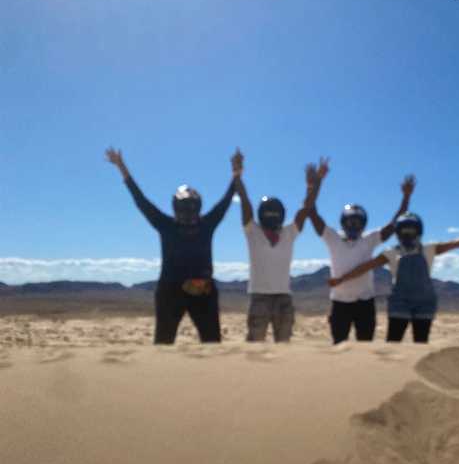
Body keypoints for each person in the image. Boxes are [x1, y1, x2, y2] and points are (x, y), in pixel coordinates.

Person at [105, 146, 242, 344]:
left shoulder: (173, 225)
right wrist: (236, 174)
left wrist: (121, 167)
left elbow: (141, 201)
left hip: (191, 288)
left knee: (196, 342)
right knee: (176, 342)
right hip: (179, 289)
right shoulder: (193, 225)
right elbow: (141, 200)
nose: (187, 213)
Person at [329, 212, 459, 343]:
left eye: (411, 231)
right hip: (399, 304)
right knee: (393, 343)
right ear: (398, 233)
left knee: (420, 343)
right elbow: (365, 267)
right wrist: (342, 279)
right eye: (404, 231)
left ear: (418, 232)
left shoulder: (429, 250)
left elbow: (457, 243)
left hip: (424, 304)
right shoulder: (391, 253)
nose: (407, 235)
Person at [307, 173, 416, 344]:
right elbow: (312, 213)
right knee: (338, 346)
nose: (353, 226)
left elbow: (394, 224)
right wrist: (313, 185)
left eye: (357, 222)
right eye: (350, 222)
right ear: (343, 222)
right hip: (340, 303)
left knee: (365, 347)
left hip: (365, 303)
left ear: (363, 223)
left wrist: (406, 197)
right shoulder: (332, 237)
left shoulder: (369, 240)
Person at [234, 152, 329, 342]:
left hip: (283, 298)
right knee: (254, 344)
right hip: (259, 297)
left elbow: (307, 208)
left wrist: (316, 183)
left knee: (284, 345)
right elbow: (244, 200)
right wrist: (237, 174)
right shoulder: (253, 231)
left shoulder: (288, 233)